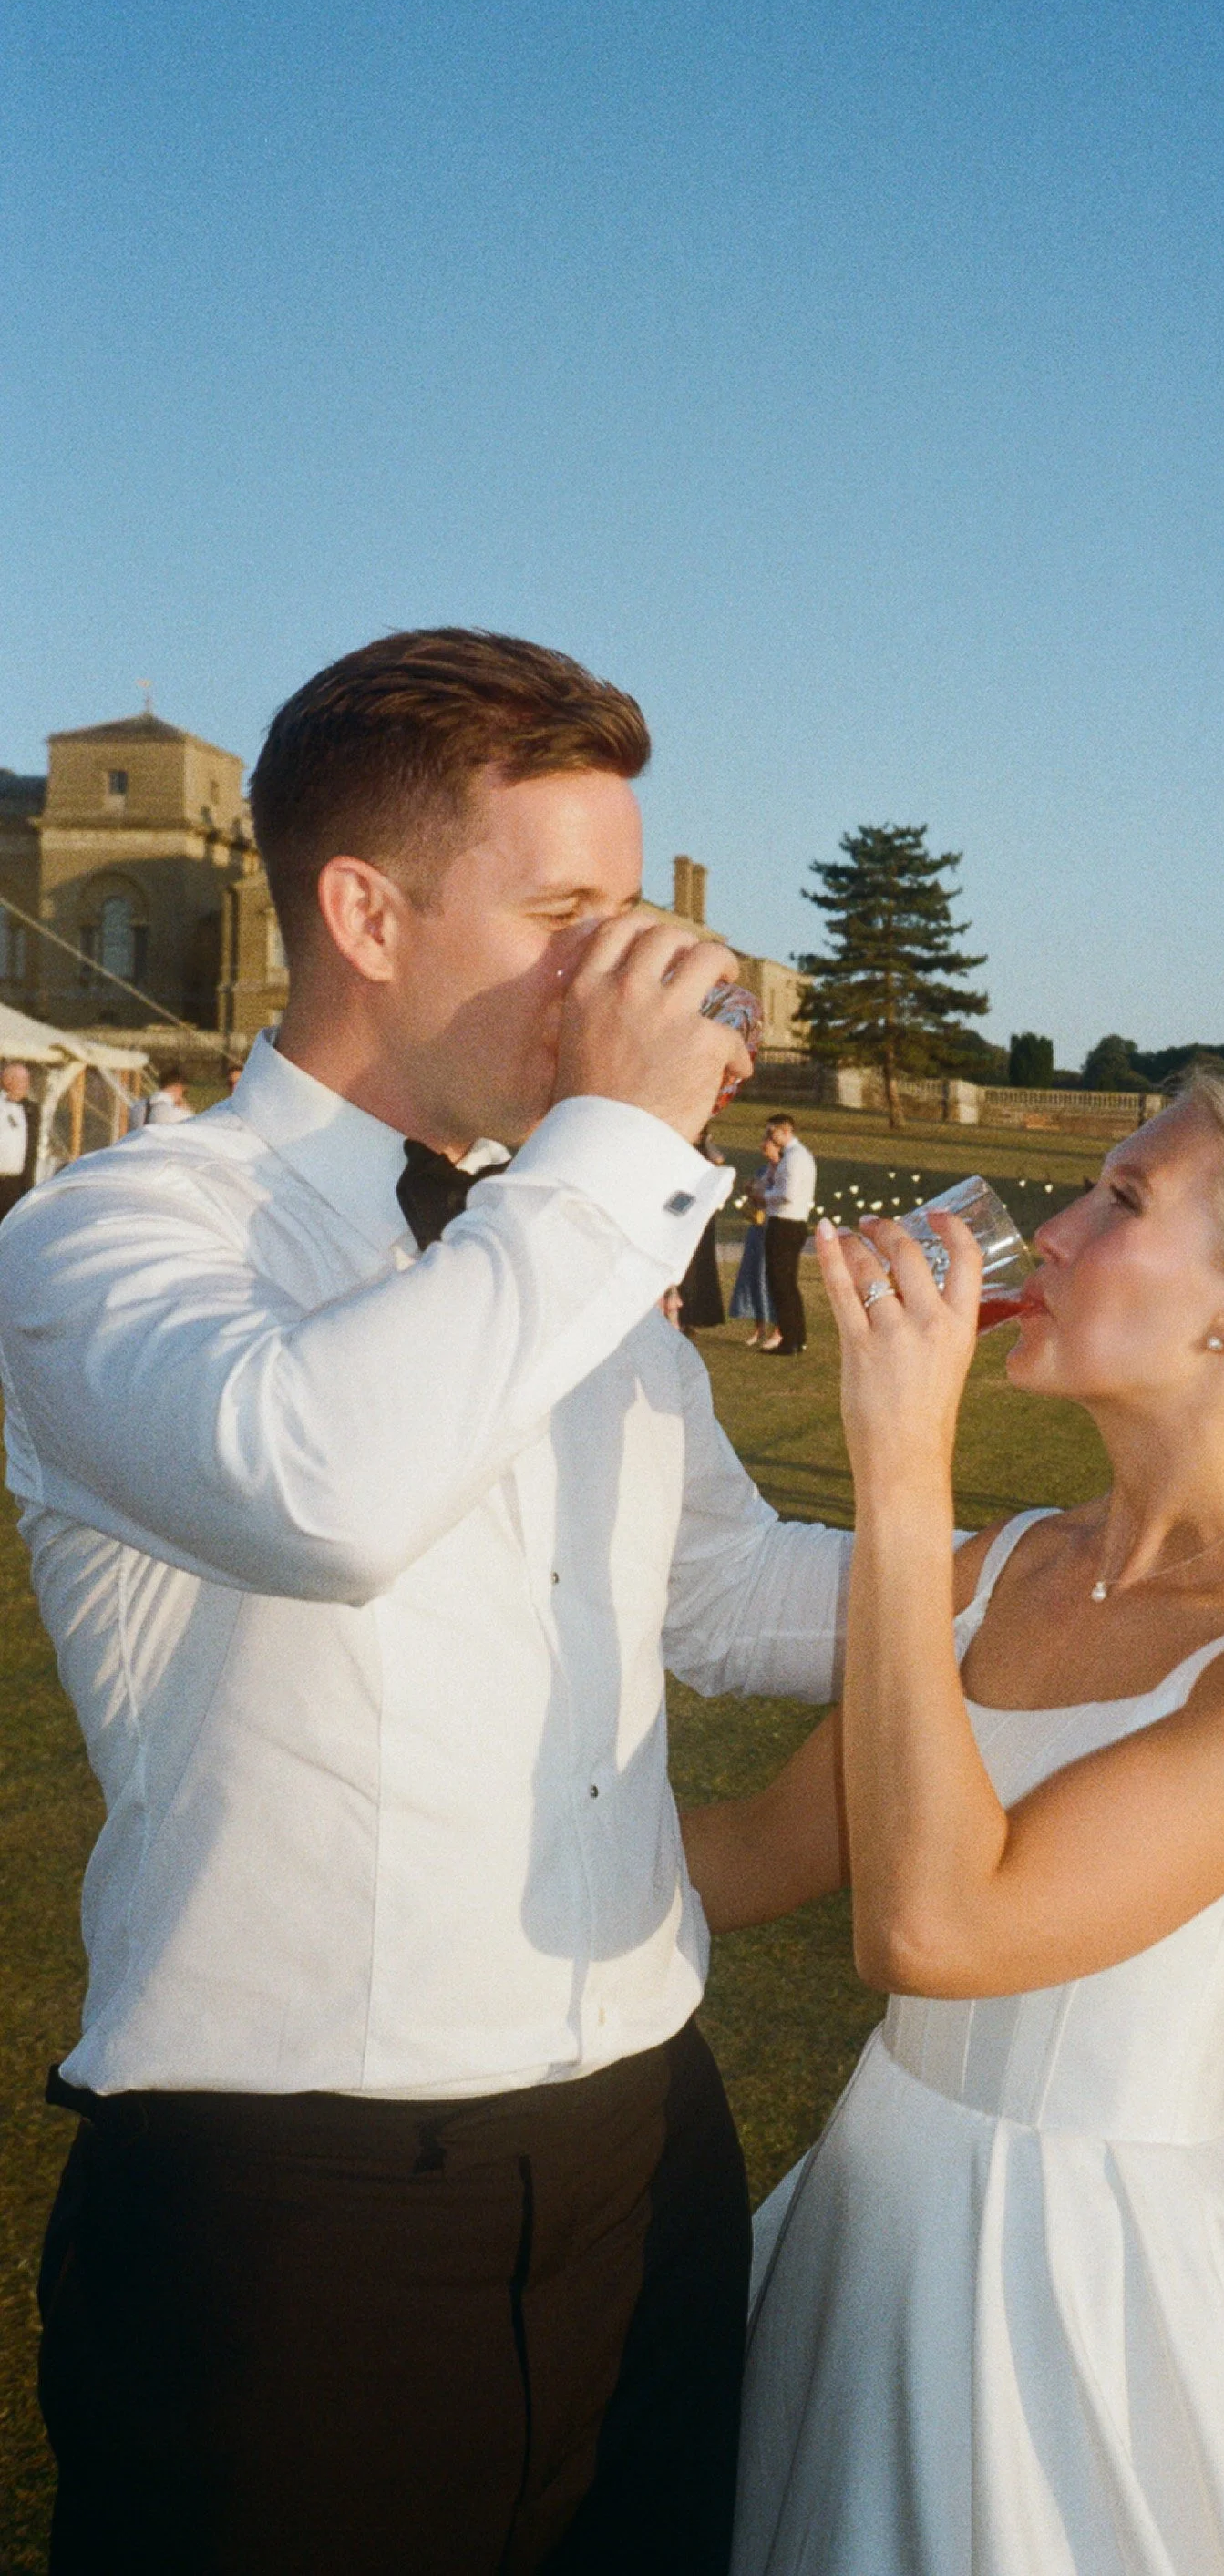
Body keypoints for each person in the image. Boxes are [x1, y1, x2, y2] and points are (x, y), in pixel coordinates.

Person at [0, 629, 855, 2576]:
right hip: (300, 2214)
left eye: (624, 916)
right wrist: (620, 1148)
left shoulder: (558, 1251)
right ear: (363, 912)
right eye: (562, 913)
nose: (614, 975)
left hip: (653, 2135)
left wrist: (1087, 1564)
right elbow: (330, 1492)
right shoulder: (121, 1230)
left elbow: (732, 1599)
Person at [684, 1072, 1224, 2576]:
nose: (1057, 1234)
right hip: (876, 2199)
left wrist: (900, 1462)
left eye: (1123, 1201)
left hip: (1074, 2277)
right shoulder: (1019, 1562)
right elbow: (756, 1855)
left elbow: (935, 1928)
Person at [758, 1111, 816, 1356]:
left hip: (786, 1223)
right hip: (789, 1223)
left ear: (785, 1131)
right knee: (786, 1283)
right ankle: (796, 1336)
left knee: (781, 1282)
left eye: (772, 1132)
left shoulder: (795, 1158)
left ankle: (790, 1339)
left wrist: (763, 1197)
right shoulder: (791, 1157)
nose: (769, 1137)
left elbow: (788, 1194)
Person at [677, 1135, 728, 1333]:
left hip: (702, 1216)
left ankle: (692, 1317)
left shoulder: (704, 1153)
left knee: (699, 1267)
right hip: (688, 1214)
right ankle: (682, 1316)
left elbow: (719, 1159)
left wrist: (706, 1142)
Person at [729, 1176, 780, 1348]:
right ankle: (759, 1329)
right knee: (754, 1277)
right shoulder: (763, 1171)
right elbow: (754, 1194)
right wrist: (750, 1190)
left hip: (775, 1229)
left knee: (772, 1280)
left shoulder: (785, 1171)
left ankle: (778, 1330)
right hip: (757, 1229)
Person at [0, 1059, 39, 1216]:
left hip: (15, 1183)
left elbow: (31, 1150)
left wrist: (28, 1185)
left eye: (27, 1080)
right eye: (21, 1080)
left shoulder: (31, 1110)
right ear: (7, 1081)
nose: (26, 1084)